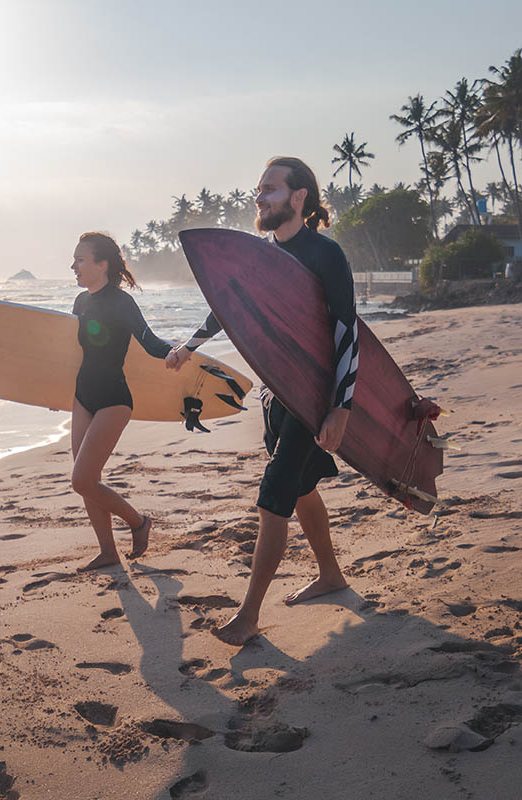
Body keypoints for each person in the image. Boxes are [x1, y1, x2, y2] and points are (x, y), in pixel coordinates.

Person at [166, 157, 359, 645]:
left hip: (312, 396)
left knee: (274, 497)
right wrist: (191, 344)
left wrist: (341, 407)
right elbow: (227, 303)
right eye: (258, 189)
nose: (260, 197)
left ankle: (249, 616)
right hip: (276, 390)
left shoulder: (325, 255)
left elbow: (347, 332)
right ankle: (331, 575)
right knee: (300, 488)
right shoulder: (260, 254)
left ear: (299, 198)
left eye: (270, 189)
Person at [70, 232, 173, 571]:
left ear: (102, 264)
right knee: (88, 480)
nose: (74, 266)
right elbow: (70, 356)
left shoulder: (121, 303)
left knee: (82, 479)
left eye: (81, 260)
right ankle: (108, 551)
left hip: (113, 399)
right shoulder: (81, 302)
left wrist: (179, 352)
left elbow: (149, 341)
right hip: (83, 396)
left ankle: (139, 522)